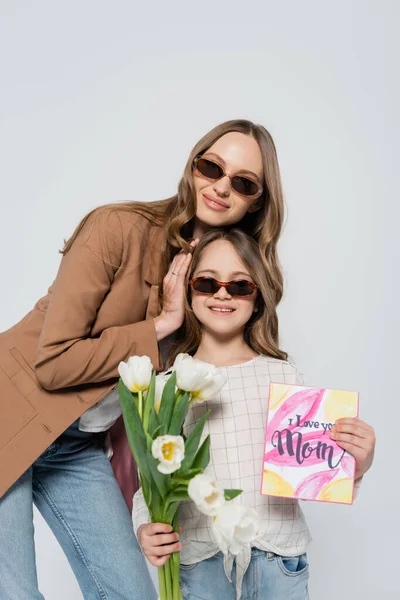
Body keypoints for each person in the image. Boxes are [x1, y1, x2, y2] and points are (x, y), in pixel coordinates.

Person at [0, 119, 285, 599]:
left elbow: (229, 392)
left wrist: (342, 455)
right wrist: (158, 328)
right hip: (10, 413)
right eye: (211, 166)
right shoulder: (117, 228)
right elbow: (52, 364)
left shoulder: (224, 281)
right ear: (193, 165)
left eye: (242, 182)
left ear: (257, 201)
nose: (220, 186)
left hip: (75, 447)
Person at [133, 230, 376, 600]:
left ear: (258, 296)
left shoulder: (283, 374)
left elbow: (311, 468)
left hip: (278, 558)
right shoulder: (169, 386)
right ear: (188, 290)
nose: (222, 293)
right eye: (207, 282)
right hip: (202, 561)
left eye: (240, 285)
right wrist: (143, 527)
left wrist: (358, 463)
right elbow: (149, 482)